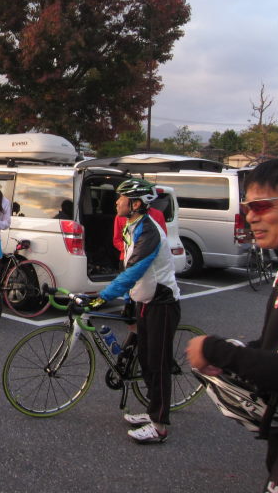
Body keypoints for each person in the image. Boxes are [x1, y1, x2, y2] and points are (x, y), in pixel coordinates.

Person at [186, 158, 278, 491]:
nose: (251, 215)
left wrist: (217, 350)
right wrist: (242, 351)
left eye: (263, 205)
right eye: (247, 206)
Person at [96, 178, 180, 444]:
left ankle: (159, 426)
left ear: (135, 204)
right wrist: (127, 295)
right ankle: (151, 411)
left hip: (162, 303)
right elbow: (126, 265)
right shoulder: (132, 226)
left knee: (158, 364)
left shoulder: (149, 231)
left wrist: (103, 296)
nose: (117, 202)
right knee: (145, 360)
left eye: (121, 198)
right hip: (145, 300)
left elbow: (135, 269)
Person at [113, 202, 166, 270]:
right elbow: (117, 240)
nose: (117, 201)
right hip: (127, 259)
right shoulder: (121, 215)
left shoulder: (158, 214)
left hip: (150, 259)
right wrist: (131, 250)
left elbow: (162, 237)